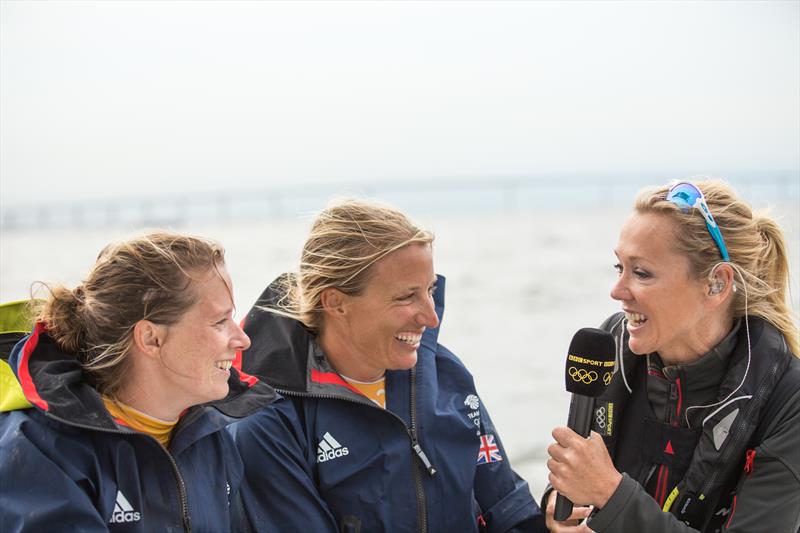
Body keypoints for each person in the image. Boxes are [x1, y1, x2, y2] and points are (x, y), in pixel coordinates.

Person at [231, 199, 546, 532]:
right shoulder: (269, 423)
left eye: (430, 290)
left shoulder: (443, 372)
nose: (431, 317)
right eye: (407, 296)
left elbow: (508, 511)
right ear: (335, 302)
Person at [545, 180, 800, 532]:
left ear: (717, 284)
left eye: (642, 273)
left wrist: (610, 494)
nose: (617, 291)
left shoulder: (788, 398)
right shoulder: (611, 348)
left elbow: (605, 487)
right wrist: (558, 504)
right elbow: (585, 472)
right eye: (619, 268)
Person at [0, 232, 275, 532]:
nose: (243, 339)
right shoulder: (40, 453)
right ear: (151, 338)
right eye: (220, 322)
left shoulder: (208, 432)